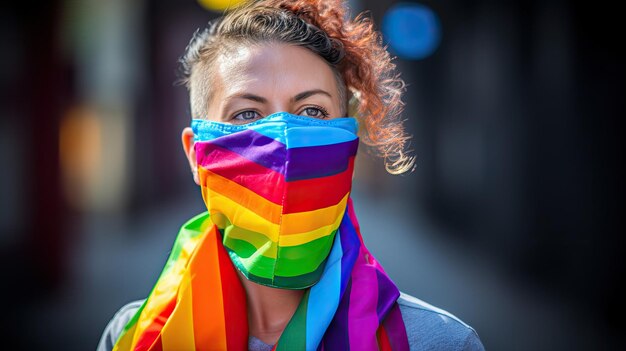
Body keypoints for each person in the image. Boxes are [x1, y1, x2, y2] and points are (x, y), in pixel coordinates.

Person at [98, 0, 485, 350]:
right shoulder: (131, 336)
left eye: (312, 111)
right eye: (247, 113)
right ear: (197, 155)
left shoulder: (440, 343)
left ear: (347, 145)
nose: (283, 142)